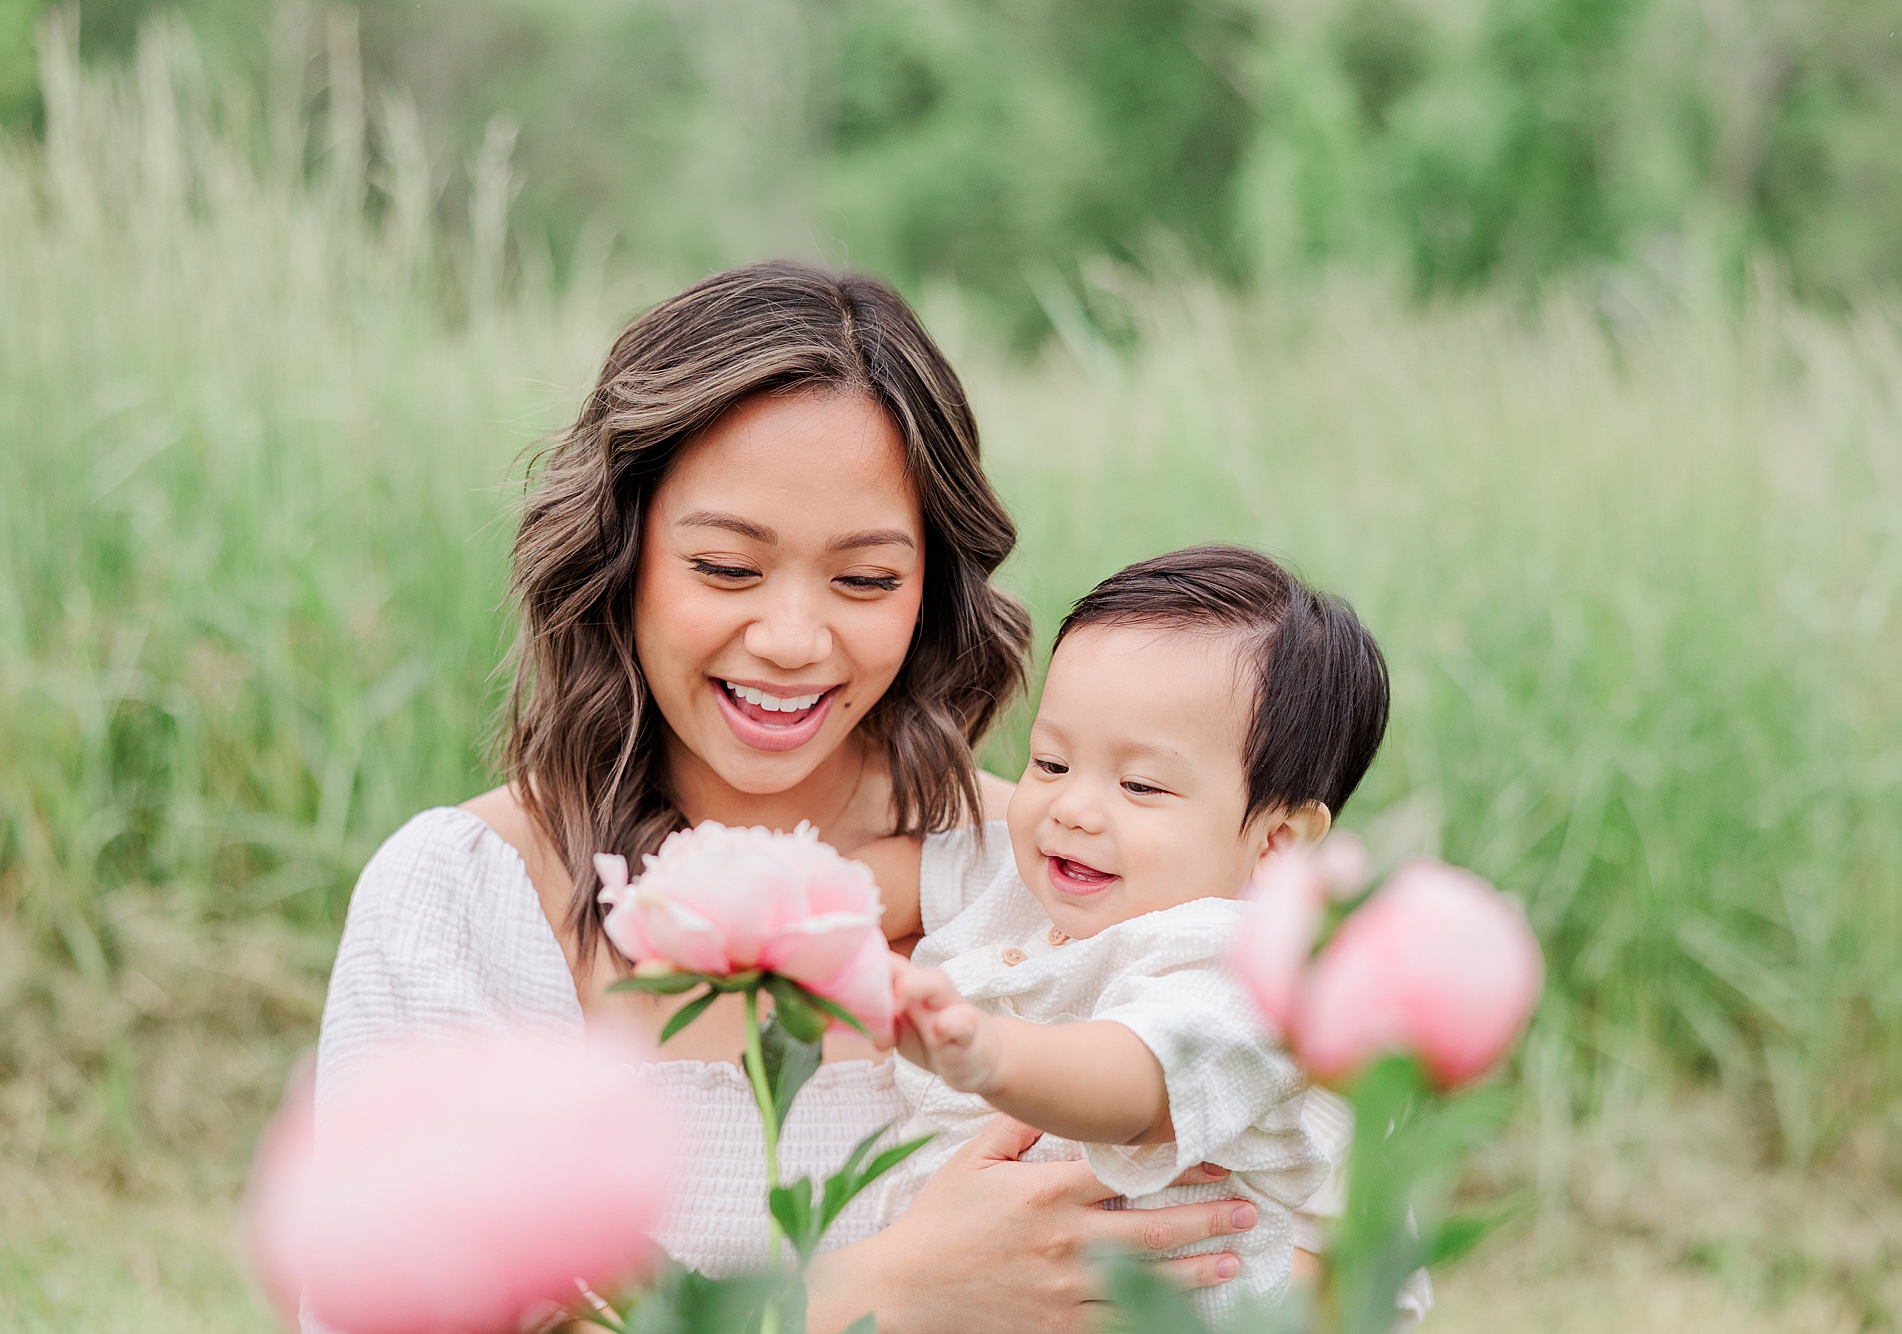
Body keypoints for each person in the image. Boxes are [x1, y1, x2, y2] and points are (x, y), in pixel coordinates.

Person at [312, 261, 1264, 1334]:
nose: (793, 640)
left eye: (864, 581)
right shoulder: (464, 899)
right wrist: (878, 1297)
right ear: (618, 555)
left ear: (930, 590)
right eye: (725, 566)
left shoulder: (1065, 872)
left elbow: (1295, 1236)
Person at [872, 546, 1390, 1324]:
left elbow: (1135, 1082)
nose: (1072, 808)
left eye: (1140, 785)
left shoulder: (1242, 971)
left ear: (1277, 845)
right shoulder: (1030, 876)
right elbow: (878, 884)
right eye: (1050, 762)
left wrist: (990, 1051)